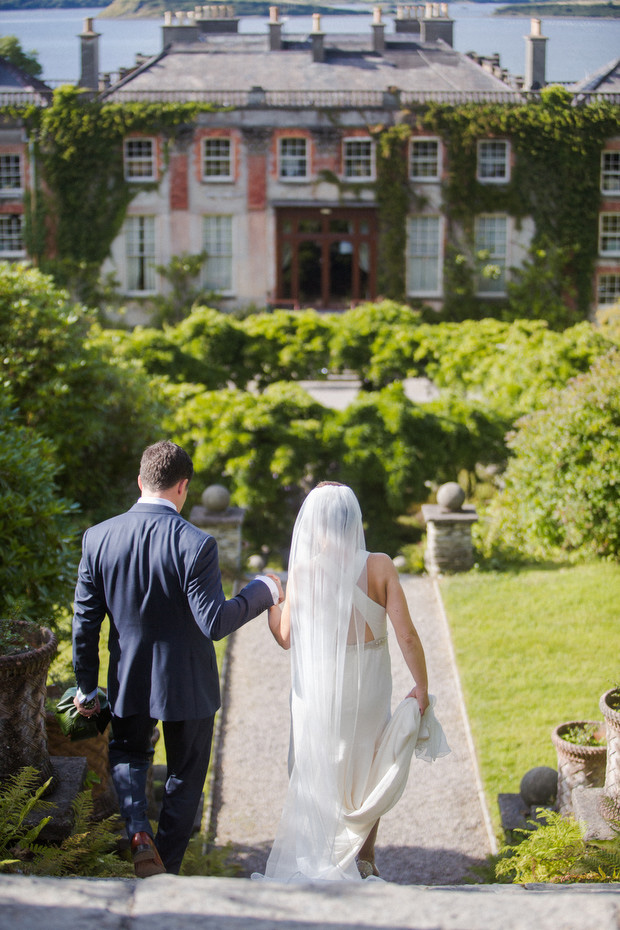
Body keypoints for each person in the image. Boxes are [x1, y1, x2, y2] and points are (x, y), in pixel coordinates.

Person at [72, 440, 283, 877]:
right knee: (185, 775)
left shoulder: (97, 538)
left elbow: (85, 623)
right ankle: (164, 868)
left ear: (140, 480)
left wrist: (87, 685)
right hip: (188, 683)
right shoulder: (197, 544)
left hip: (127, 677)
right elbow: (214, 623)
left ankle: (138, 834)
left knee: (128, 755)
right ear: (183, 487)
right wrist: (263, 590)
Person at [257, 482, 449, 882]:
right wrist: (422, 687)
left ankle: (325, 856)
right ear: (354, 520)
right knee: (369, 764)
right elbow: (407, 635)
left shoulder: (305, 570)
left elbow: (286, 637)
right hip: (369, 684)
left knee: (324, 765)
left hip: (322, 687)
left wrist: (273, 605)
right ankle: (364, 857)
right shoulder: (379, 565)